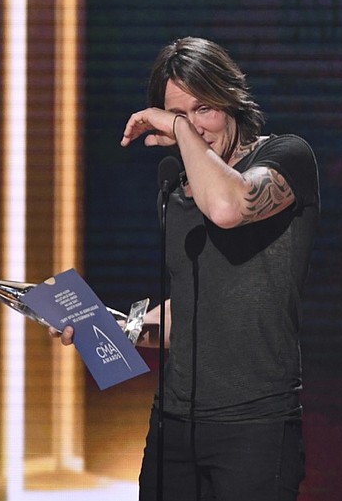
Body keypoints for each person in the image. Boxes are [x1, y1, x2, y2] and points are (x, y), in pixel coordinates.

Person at [50, 36, 319, 501]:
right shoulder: (175, 190)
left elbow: (228, 207)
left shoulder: (286, 157)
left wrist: (180, 131)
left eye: (203, 110)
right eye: (179, 115)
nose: (193, 126)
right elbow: (191, 312)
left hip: (254, 430)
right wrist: (105, 330)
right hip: (174, 426)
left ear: (232, 103)